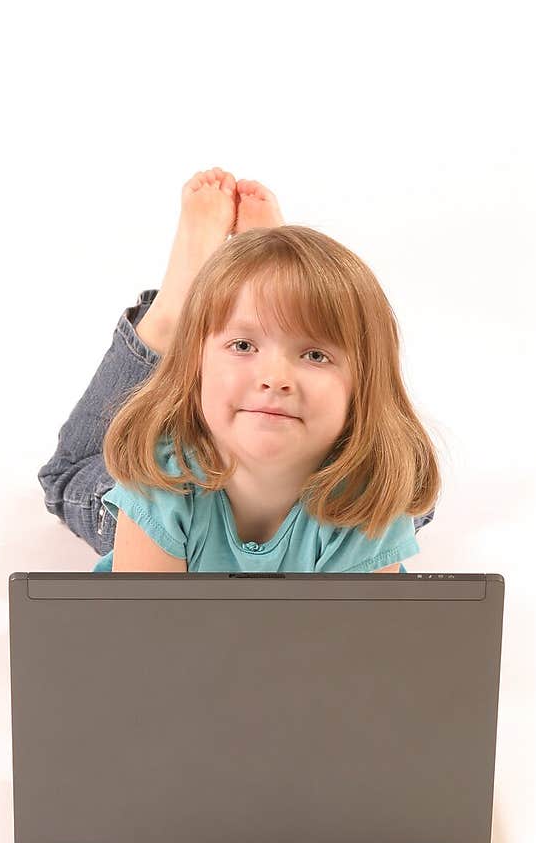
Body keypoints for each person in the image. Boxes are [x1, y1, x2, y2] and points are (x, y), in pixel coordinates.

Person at [38, 169, 439, 573]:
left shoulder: (370, 500)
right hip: (182, 502)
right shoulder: (158, 486)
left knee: (401, 495)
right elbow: (148, 632)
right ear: (190, 368)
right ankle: (180, 310)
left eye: (315, 354)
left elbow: (356, 635)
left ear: (364, 388)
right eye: (244, 345)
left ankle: (271, 269)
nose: (275, 378)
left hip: (332, 476)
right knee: (73, 478)